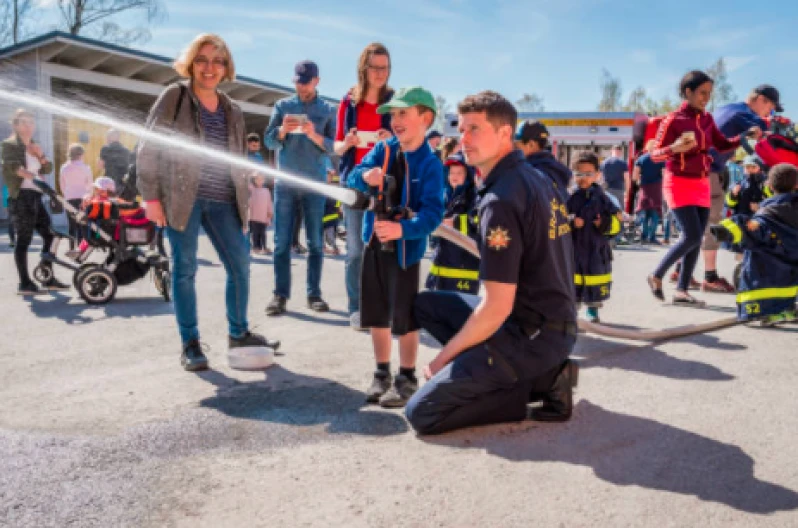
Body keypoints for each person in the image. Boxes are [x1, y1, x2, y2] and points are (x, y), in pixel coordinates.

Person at [405, 91, 578, 436]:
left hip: (530, 334)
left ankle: (538, 388)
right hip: (547, 322)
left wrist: (443, 361)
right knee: (426, 305)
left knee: (422, 413)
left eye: (475, 129)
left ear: (504, 134)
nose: (463, 139)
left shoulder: (502, 198)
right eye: (462, 129)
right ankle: (525, 372)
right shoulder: (536, 177)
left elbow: (495, 307)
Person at [137, 33, 279, 372]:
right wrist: (151, 197)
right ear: (191, 64)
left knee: (240, 266)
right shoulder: (175, 96)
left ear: (226, 67)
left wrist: (247, 195)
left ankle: (239, 333)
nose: (209, 68)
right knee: (185, 270)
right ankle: (190, 343)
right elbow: (149, 147)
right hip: (183, 200)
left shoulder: (233, 109)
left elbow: (239, 159)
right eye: (202, 60)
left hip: (224, 201)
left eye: (217, 61)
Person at [347, 86, 445, 408]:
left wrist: (403, 229)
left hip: (405, 252)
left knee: (405, 318)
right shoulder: (384, 150)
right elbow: (353, 177)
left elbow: (432, 215)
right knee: (376, 313)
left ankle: (406, 377)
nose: (396, 119)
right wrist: (367, 177)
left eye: (404, 113)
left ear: (425, 118)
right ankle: (381, 373)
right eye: (393, 113)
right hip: (374, 244)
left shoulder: (430, 165)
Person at [646, 70, 761, 306]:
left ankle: (682, 291)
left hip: (701, 182)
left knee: (697, 238)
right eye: (702, 93)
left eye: (709, 94)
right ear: (688, 92)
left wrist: (743, 136)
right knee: (690, 235)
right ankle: (657, 274)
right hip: (677, 181)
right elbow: (654, 155)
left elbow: (721, 144)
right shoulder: (672, 120)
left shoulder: (707, 119)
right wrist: (674, 148)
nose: (706, 98)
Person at [264, 60, 336, 316]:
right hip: (285, 183)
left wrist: (313, 134)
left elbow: (333, 147)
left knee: (315, 242)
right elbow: (269, 141)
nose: (300, 87)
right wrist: (282, 130)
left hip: (314, 184)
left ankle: (313, 294)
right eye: (297, 82)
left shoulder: (328, 109)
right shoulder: (283, 106)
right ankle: (279, 295)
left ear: (317, 81)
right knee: (281, 242)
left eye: (305, 82)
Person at [700, 85, 782, 292]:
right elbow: (769, 132)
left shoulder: (728, 108)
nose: (770, 112)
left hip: (698, 168)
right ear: (761, 100)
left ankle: (680, 269)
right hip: (708, 172)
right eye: (771, 108)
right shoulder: (745, 114)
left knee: (696, 224)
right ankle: (710, 277)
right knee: (712, 222)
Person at [335, 42, 394, 330]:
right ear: (364, 68)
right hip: (354, 184)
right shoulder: (349, 101)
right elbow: (336, 146)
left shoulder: (394, 101)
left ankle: (381, 307)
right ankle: (356, 308)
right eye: (375, 67)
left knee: (382, 250)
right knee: (356, 251)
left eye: (384, 68)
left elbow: (405, 142)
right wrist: (348, 142)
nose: (380, 73)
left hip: (383, 186)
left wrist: (390, 138)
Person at [710, 163, 797, 326]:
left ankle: (771, 314)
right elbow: (732, 201)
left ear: (770, 185)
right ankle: (787, 309)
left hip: (765, 274)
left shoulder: (767, 215)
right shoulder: (743, 185)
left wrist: (726, 229)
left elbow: (750, 228)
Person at [1, 109, 70, 295]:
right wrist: (33, 177)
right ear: (15, 125)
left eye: (31, 122)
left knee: (50, 235)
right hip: (21, 196)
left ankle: (47, 277)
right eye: (23, 122)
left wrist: (40, 155)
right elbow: (12, 167)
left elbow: (47, 169)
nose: (28, 126)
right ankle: (24, 284)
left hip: (36, 196)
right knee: (24, 239)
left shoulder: (34, 145)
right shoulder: (9, 145)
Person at [568, 151, 622, 323]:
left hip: (596, 248)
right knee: (572, 280)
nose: (583, 178)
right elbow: (557, 219)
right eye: (579, 174)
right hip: (573, 248)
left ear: (598, 175)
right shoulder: (568, 198)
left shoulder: (605, 198)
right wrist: (570, 221)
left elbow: (617, 223)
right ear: (572, 174)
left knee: (596, 278)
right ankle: (571, 310)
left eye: (588, 174)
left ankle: (593, 309)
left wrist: (604, 224)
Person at [425, 153, 480, 295]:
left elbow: (477, 221)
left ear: (467, 175)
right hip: (441, 266)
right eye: (451, 173)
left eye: (459, 173)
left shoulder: (474, 197)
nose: (454, 176)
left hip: (463, 270)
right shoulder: (445, 195)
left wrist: (454, 223)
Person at [514, 119, 572, 200]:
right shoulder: (556, 171)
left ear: (531, 144)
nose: (513, 150)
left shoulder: (531, 173)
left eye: (516, 146)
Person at [59, 143, 94, 248]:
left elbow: (62, 184)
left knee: (71, 224)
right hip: (83, 198)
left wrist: (66, 193)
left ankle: (71, 247)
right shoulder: (86, 168)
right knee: (81, 224)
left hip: (69, 198)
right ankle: (81, 248)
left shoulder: (64, 168)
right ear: (81, 154)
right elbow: (90, 185)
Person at [632, 140, 665, 244]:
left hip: (645, 188)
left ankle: (644, 236)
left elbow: (634, 175)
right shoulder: (660, 159)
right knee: (655, 214)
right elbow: (664, 174)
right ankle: (652, 237)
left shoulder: (641, 159)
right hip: (656, 187)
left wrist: (638, 182)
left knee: (644, 213)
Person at [249, 174, 273, 255]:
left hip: (263, 217)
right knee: (255, 233)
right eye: (257, 179)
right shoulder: (252, 189)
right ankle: (256, 247)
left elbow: (269, 203)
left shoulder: (266, 191)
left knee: (263, 233)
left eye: (261, 179)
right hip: (253, 217)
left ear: (264, 180)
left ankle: (264, 247)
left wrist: (269, 215)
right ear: (254, 180)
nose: (259, 181)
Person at [600, 145, 628, 213]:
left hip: (606, 189)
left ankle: (607, 223)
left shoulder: (604, 163)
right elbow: (626, 178)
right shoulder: (623, 163)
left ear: (611, 151)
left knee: (606, 209)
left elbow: (599, 177)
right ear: (620, 152)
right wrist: (627, 191)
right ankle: (619, 223)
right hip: (618, 189)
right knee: (619, 210)